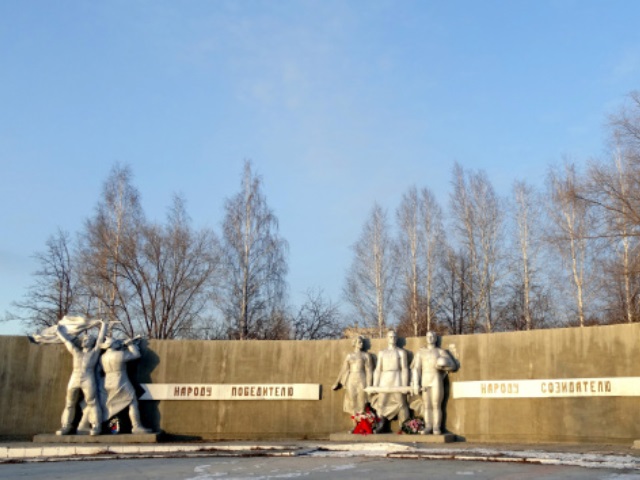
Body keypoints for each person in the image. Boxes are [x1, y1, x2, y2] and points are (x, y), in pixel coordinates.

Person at [56, 319, 110, 435]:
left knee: (92, 402)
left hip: (88, 378)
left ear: (92, 342)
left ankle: (96, 426)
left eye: (88, 339)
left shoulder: (95, 352)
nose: (85, 341)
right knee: (69, 403)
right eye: (84, 339)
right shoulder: (76, 351)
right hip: (74, 377)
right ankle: (66, 426)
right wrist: (59, 331)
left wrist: (104, 325)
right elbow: (66, 341)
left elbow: (100, 339)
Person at [100, 336, 151, 434]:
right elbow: (136, 355)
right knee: (132, 402)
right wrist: (130, 345)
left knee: (108, 404)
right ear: (112, 344)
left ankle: (99, 425)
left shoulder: (102, 357)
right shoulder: (120, 354)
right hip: (120, 380)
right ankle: (136, 426)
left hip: (107, 381)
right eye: (116, 342)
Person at [410, 331, 457, 435]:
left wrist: (442, 366)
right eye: (428, 336)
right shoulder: (420, 352)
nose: (430, 338)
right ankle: (428, 426)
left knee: (436, 405)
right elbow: (416, 368)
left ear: (435, 338)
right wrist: (416, 383)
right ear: (426, 338)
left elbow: (453, 366)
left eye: (432, 336)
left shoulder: (440, 352)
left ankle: (436, 427)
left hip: (436, 379)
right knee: (427, 405)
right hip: (425, 379)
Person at [371, 329, 410, 433]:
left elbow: (405, 368)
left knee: (401, 403)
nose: (392, 339)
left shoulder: (401, 352)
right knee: (381, 404)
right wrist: (375, 384)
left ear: (396, 338)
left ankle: (405, 425)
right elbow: (378, 369)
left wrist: (405, 385)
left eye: (394, 337)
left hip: (397, 378)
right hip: (384, 379)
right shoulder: (382, 353)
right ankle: (381, 425)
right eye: (390, 337)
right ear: (387, 338)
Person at [332, 336, 372, 431]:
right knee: (352, 401)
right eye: (359, 342)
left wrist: (369, 385)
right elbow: (344, 369)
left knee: (362, 402)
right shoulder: (349, 356)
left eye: (362, 342)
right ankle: (355, 425)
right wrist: (337, 382)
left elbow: (369, 371)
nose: (361, 343)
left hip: (362, 378)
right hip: (351, 379)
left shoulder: (366, 356)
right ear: (354, 343)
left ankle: (362, 425)